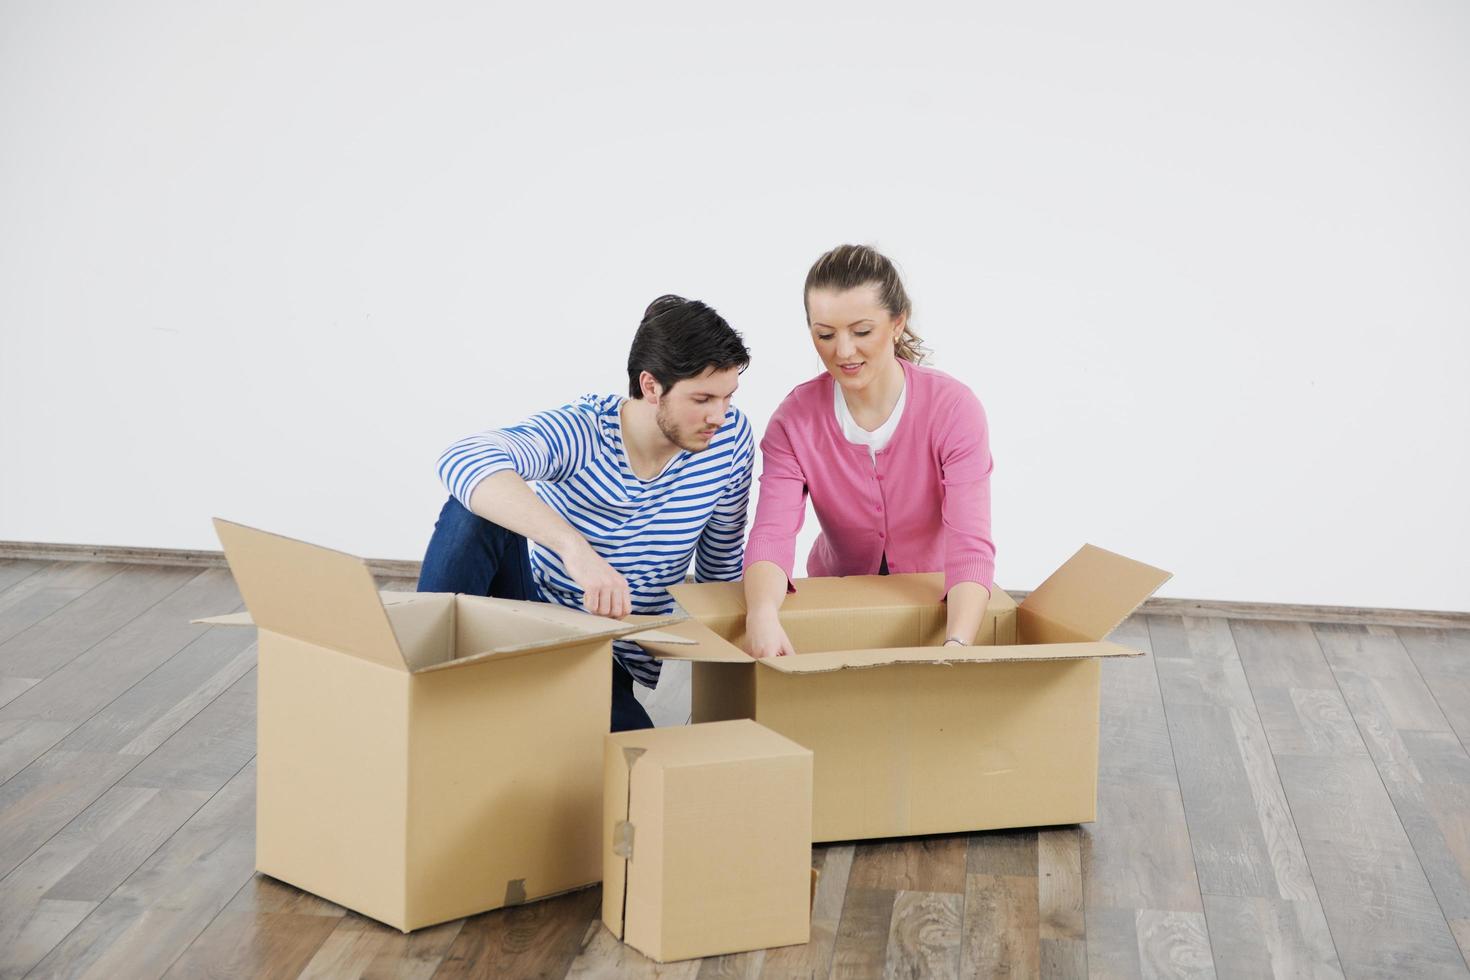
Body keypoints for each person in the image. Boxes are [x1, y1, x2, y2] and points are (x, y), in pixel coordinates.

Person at [419, 295, 754, 730]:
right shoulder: (585, 430)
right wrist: (574, 549)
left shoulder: (730, 440)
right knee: (473, 508)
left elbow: (720, 565)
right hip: (531, 614)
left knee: (636, 767)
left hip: (609, 653)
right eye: (703, 398)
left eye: (728, 397)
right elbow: (463, 458)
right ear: (651, 386)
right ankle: (420, 685)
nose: (719, 416)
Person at [742, 244, 994, 658]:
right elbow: (772, 535)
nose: (842, 352)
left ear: (897, 323)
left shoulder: (953, 409)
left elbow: (971, 544)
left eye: (861, 332)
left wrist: (957, 645)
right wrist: (763, 615)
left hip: (933, 600)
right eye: (824, 335)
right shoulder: (794, 420)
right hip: (836, 597)